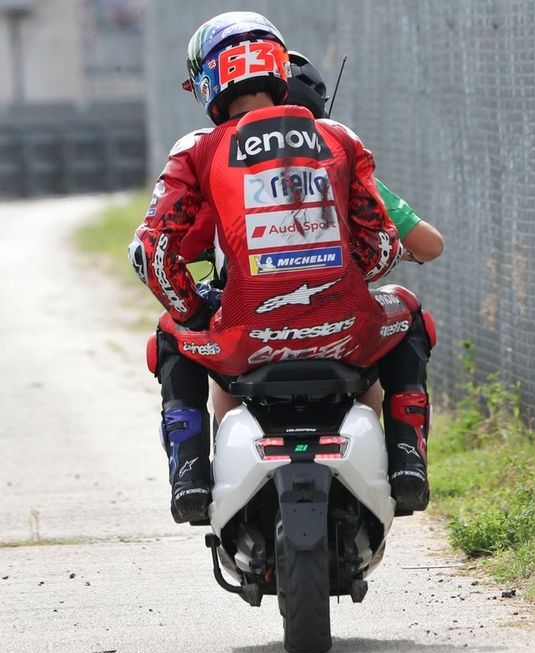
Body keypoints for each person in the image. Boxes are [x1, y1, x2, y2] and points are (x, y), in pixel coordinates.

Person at [128, 11, 434, 524]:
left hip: (245, 338)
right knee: (410, 313)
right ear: (277, 66)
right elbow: (381, 242)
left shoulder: (197, 150)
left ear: (209, 82)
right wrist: (343, 279)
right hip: (347, 332)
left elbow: (153, 252)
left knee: (168, 334)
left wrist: (195, 310)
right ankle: (407, 457)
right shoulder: (337, 136)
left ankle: (190, 473)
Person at [207, 50, 444, 421]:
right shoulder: (345, 167)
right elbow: (431, 245)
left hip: (251, 335)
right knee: (374, 377)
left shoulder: (222, 168)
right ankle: (403, 454)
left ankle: (203, 469)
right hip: (339, 328)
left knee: (221, 384)